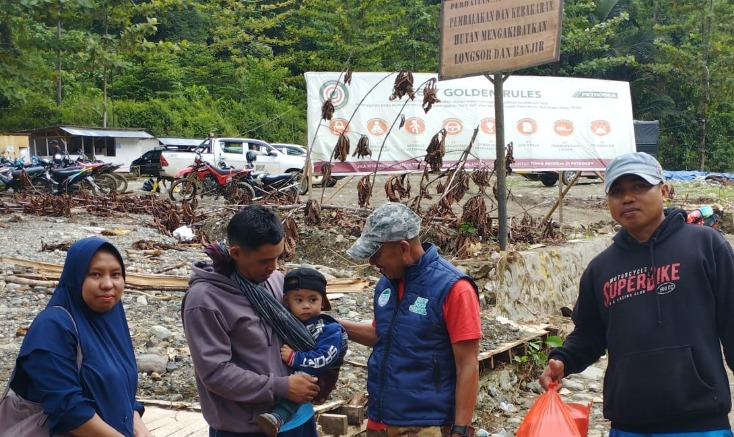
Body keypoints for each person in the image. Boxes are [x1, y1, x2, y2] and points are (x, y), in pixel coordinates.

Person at [539, 152, 734, 436]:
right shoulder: (601, 268)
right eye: (617, 191)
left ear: (664, 191)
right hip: (628, 425)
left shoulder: (705, 246)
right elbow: (590, 333)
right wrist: (563, 359)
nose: (627, 198)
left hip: (699, 421)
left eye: (639, 186)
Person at [339, 202, 482, 437]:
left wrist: (461, 429)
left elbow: (467, 363)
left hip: (426, 425)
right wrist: (335, 324)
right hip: (380, 420)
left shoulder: (454, 289)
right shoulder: (387, 283)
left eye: (377, 255)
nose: (372, 263)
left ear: (404, 248)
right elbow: (382, 334)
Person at [182, 205, 320, 437]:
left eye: (277, 257)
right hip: (247, 427)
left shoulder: (276, 282)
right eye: (265, 260)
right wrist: (282, 386)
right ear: (236, 253)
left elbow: (302, 330)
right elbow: (216, 373)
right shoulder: (205, 301)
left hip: (297, 416)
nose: (274, 267)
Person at [9, 237, 153, 437]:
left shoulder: (112, 320)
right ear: (76, 277)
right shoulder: (52, 327)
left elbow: (121, 389)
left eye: (116, 274)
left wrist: (139, 427)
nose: (107, 284)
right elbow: (68, 409)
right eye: (95, 274)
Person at [258, 267, 348, 437]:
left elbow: (325, 357)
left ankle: (278, 417)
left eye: (313, 300)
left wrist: (295, 358)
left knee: (305, 383)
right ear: (286, 300)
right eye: (298, 300)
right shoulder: (288, 323)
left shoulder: (329, 328)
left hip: (320, 376)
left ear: (323, 302)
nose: (306, 306)